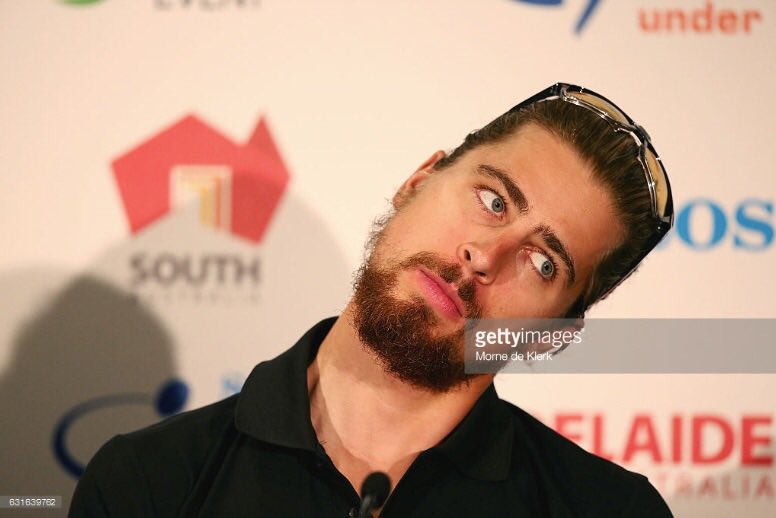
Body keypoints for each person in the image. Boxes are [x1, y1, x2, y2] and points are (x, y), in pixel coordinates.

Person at [70, 83, 674, 517]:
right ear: (418, 181)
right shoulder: (148, 482)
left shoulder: (610, 509)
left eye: (544, 263)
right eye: (493, 200)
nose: (485, 257)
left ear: (555, 333)